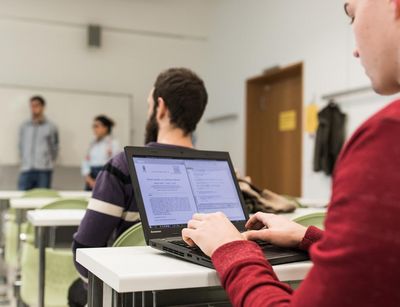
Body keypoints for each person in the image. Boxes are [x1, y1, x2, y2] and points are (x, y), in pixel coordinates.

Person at [182, 0, 400, 306]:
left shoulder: (387, 137)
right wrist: (308, 238)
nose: (354, 49)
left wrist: (230, 247)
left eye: (352, 16)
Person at [68, 68, 208, 307]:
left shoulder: (122, 166)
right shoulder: (217, 170)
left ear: (160, 108)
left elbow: (84, 252)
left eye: (148, 105)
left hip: (130, 298)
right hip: (198, 297)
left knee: (75, 290)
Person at [18, 96, 59, 191]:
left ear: (43, 107)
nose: (34, 108)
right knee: (22, 200)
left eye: (36, 105)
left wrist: (47, 162)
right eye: (32, 106)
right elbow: (20, 146)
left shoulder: (51, 127)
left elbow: (55, 148)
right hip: (26, 169)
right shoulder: (24, 126)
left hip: (43, 171)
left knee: (42, 199)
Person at [81, 115, 119, 191]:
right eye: (93, 126)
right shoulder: (92, 144)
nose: (94, 129)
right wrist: (88, 179)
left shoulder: (113, 144)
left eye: (97, 126)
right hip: (91, 178)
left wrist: (102, 181)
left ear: (105, 128)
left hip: (106, 178)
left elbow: (115, 165)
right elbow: (85, 161)